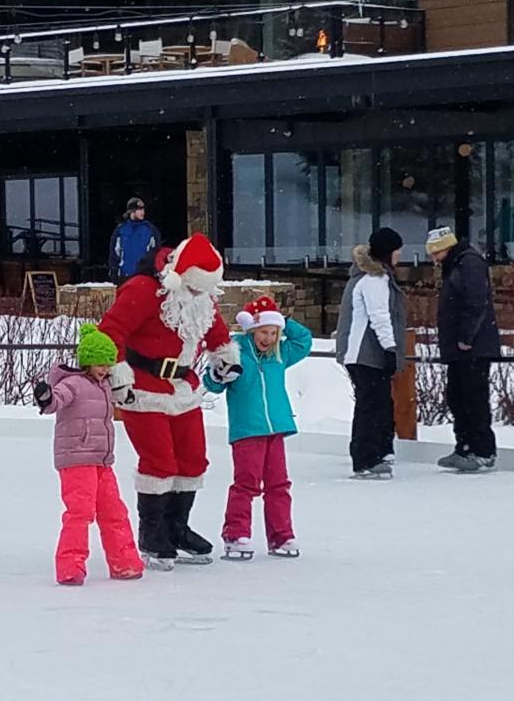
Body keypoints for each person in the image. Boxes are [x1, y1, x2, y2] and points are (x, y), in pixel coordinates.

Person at [98, 232, 241, 571]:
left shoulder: (200, 293)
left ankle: (176, 528)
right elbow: (110, 331)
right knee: (159, 461)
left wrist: (225, 356)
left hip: (183, 387)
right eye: (194, 288)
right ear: (179, 277)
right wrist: (118, 377)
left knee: (193, 459)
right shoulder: (144, 290)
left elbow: (213, 328)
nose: (199, 294)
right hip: (143, 388)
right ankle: (151, 533)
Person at [33, 325, 144, 586]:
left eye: (107, 363)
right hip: (76, 459)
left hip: (102, 460)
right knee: (80, 512)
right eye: (99, 363)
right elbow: (57, 400)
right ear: (86, 362)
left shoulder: (106, 386)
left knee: (114, 511)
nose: (104, 368)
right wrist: (46, 398)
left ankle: (124, 563)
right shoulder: (73, 384)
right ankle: (70, 566)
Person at [204, 295, 312, 560]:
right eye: (264, 331)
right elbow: (213, 383)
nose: (269, 338)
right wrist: (220, 374)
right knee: (247, 484)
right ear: (251, 330)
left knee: (279, 484)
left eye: (274, 332)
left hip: (275, 429)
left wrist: (283, 320)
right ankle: (235, 534)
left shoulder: (281, 353)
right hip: (247, 430)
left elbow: (304, 340)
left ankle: (281, 535)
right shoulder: (236, 350)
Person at [427, 226, 500, 472]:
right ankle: (465, 446)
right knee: (458, 397)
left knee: (473, 399)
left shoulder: (469, 263)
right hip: (460, 349)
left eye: (435, 253)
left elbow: (475, 302)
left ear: (446, 248)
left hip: (472, 347)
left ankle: (481, 450)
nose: (433, 259)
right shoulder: (456, 265)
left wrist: (466, 337)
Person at [335, 227, 406, 479]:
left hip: (363, 354)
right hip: (366, 354)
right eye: (397, 251)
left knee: (378, 403)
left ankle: (378, 450)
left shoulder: (369, 277)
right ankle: (366, 457)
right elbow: (380, 317)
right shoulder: (374, 280)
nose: (400, 256)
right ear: (388, 252)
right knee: (370, 405)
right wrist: (390, 348)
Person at [108, 197, 161, 284]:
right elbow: (114, 253)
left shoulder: (151, 230)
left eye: (143, 210)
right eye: (139, 210)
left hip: (144, 277)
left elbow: (156, 251)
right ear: (131, 212)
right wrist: (114, 270)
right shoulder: (120, 230)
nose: (143, 212)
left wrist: (148, 266)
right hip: (124, 277)